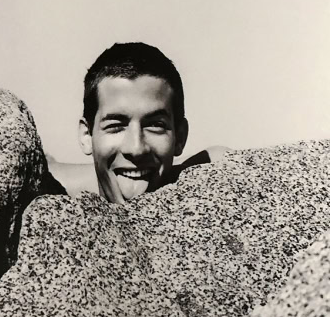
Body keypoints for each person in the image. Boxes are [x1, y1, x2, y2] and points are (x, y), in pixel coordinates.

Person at [49, 42, 225, 203]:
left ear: (179, 137)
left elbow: (219, 156)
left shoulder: (212, 175)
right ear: (87, 135)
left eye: (155, 126)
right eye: (115, 126)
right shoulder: (52, 188)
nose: (136, 149)